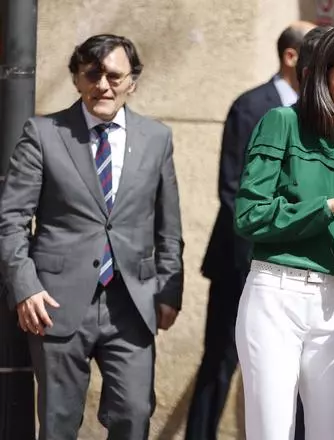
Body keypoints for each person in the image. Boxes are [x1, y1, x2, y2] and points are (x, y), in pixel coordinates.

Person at [0, 34, 184, 440]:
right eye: (92, 74)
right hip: (55, 302)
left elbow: (169, 224)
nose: (103, 85)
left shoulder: (156, 139)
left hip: (132, 303)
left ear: (132, 82)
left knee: (134, 415)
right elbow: (11, 219)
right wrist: (25, 286)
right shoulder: (44, 133)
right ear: (77, 79)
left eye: (114, 76)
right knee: (59, 423)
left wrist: (171, 290)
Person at [234, 25, 334, 440]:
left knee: (331, 434)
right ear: (321, 75)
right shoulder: (281, 122)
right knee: (271, 432)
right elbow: (250, 216)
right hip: (273, 295)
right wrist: (327, 208)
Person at [186, 20, 316, 440]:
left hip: (293, 266)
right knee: (220, 361)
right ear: (292, 57)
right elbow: (233, 189)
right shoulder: (251, 105)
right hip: (239, 262)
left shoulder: (316, 113)